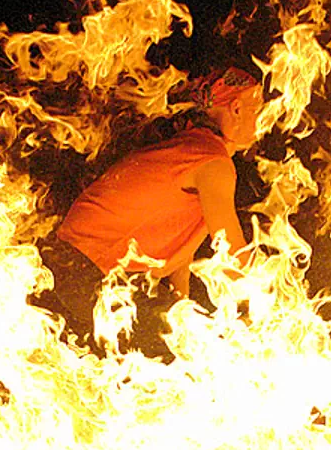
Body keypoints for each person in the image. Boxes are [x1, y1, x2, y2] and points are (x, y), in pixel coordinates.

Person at [38, 66, 264, 356]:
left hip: (73, 267)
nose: (263, 120)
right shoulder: (212, 162)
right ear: (235, 109)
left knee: (182, 348)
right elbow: (230, 246)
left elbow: (184, 251)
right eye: (258, 110)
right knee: (189, 359)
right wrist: (268, 303)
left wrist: (180, 305)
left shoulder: (193, 149)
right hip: (88, 270)